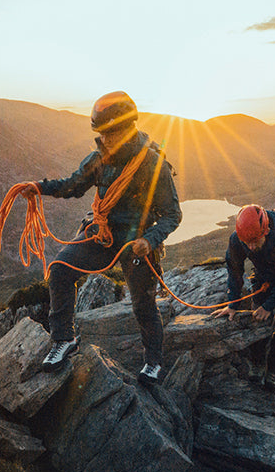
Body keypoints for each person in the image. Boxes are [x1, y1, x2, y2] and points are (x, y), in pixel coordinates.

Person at [35, 91, 182, 385]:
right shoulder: (100, 159)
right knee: (60, 270)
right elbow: (73, 185)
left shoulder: (153, 164)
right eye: (101, 134)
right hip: (102, 234)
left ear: (127, 129)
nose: (104, 140)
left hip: (136, 243)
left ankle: (153, 361)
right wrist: (38, 187)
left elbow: (171, 214)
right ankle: (63, 339)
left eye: (109, 134)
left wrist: (150, 240)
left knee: (143, 304)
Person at [212, 204, 275, 390]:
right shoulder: (238, 240)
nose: (251, 247)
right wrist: (233, 303)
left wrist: (269, 306)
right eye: (247, 242)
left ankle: (274, 372)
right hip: (264, 280)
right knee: (258, 324)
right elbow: (234, 269)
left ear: (266, 231)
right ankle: (257, 366)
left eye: (255, 241)